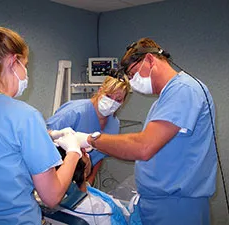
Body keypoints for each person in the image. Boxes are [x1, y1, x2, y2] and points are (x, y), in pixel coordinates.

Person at [53, 37, 217, 225]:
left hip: (175, 207)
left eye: (132, 74)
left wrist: (90, 139)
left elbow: (143, 147)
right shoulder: (163, 100)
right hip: (158, 202)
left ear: (149, 60)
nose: (132, 82)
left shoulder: (183, 90)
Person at [0, 20, 82, 225]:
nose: (26, 73)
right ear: (13, 62)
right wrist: (73, 152)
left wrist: (45, 136)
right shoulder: (25, 116)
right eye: (25, 66)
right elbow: (52, 196)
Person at [46, 75, 131, 185]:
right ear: (100, 91)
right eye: (109, 96)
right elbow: (43, 139)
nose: (112, 102)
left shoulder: (114, 124)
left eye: (118, 100)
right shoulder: (73, 112)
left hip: (83, 179)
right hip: (57, 175)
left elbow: (101, 155)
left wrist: (90, 180)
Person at [51, 146, 129, 225]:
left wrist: (99, 156)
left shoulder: (53, 196)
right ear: (83, 171)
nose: (87, 153)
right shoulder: (100, 211)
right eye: (84, 153)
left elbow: (87, 181)